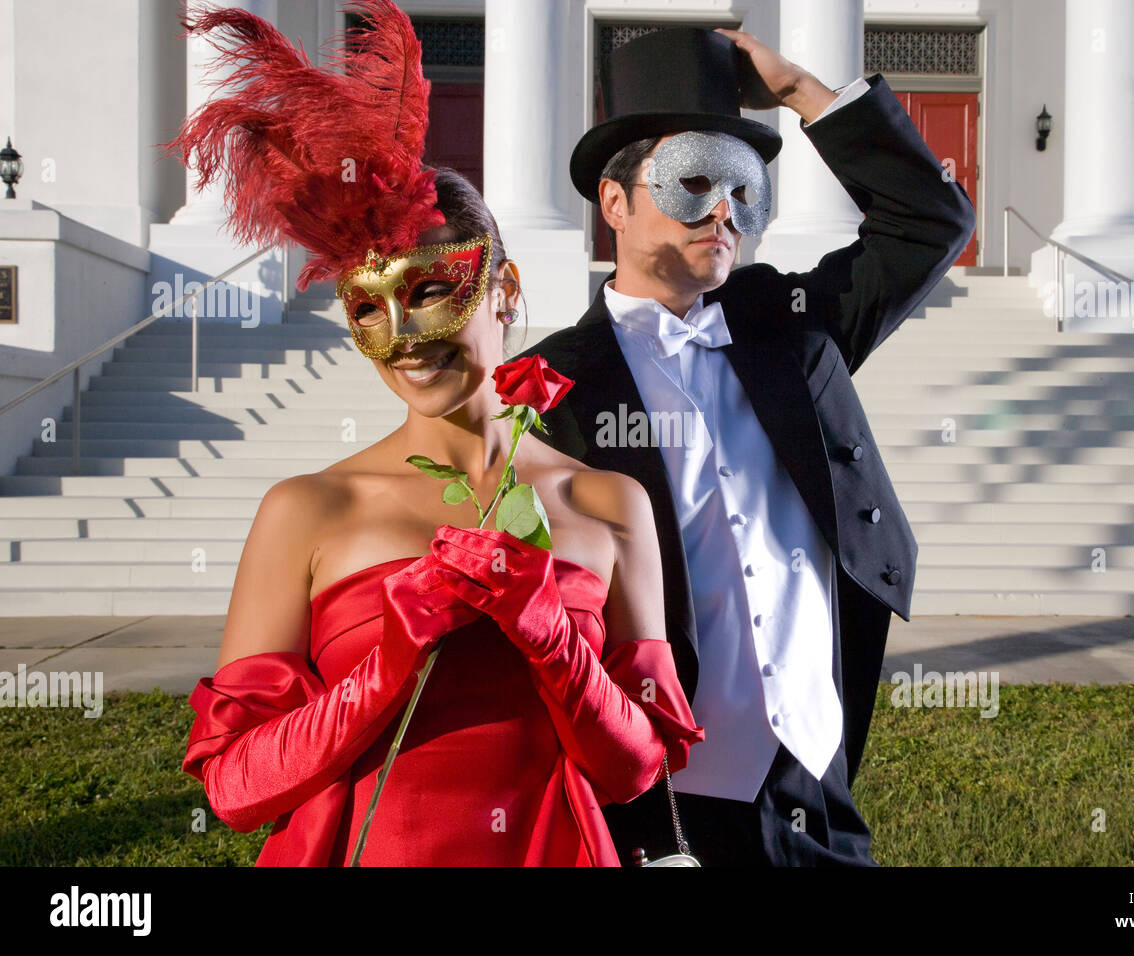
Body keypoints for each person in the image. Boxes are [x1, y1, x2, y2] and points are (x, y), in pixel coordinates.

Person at [172, 0, 702, 866]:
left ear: (503, 286)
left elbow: (632, 770)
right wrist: (390, 653)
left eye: (428, 292)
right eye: (368, 308)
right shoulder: (308, 510)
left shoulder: (608, 502)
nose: (406, 339)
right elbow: (235, 788)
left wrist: (550, 636)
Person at [521, 26, 976, 865]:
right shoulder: (544, 389)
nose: (724, 210)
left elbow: (930, 220)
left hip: (814, 779)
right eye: (692, 180)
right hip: (661, 799)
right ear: (615, 202)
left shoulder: (794, 329)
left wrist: (802, 87)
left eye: (743, 185)